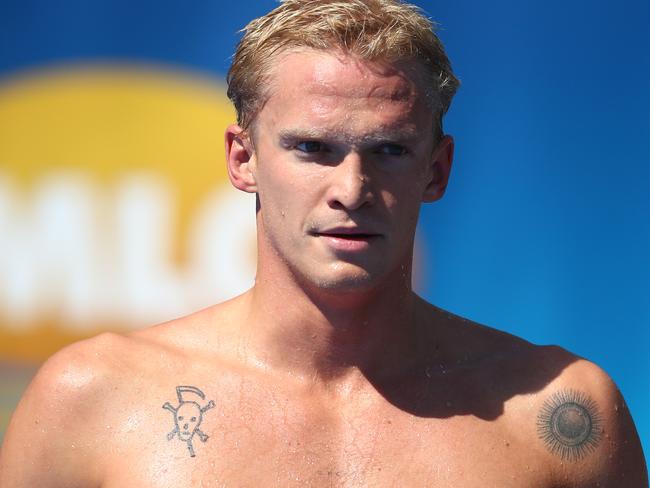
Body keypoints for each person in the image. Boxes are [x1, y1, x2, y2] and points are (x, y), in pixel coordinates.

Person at [1, 0, 647, 486]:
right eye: (313, 148)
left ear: (437, 170)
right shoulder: (90, 404)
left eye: (389, 150)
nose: (352, 187)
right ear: (242, 158)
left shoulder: (565, 418)